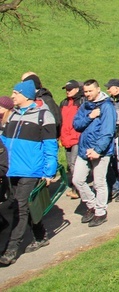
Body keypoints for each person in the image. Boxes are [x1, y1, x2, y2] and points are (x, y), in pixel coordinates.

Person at [0, 81, 58, 266]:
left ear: (26, 95)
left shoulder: (43, 115)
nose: (12, 96)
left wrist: (49, 172)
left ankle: (11, 249)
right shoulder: (14, 116)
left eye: (15, 92)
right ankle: (40, 235)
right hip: (12, 169)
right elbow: (4, 140)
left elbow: (50, 145)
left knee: (20, 207)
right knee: (23, 206)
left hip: (31, 170)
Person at [72, 79, 116, 228]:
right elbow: (76, 125)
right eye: (86, 91)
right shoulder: (85, 106)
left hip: (101, 152)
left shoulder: (107, 106)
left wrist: (98, 150)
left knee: (99, 182)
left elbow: (108, 131)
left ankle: (100, 212)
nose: (88, 94)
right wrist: (90, 116)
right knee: (77, 179)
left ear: (97, 90)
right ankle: (92, 204)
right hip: (84, 149)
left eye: (90, 91)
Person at [58, 81, 83, 199]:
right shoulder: (63, 103)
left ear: (77, 89)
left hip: (77, 137)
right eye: (66, 89)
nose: (68, 91)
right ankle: (75, 186)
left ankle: (77, 189)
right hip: (66, 138)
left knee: (74, 164)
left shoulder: (82, 102)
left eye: (70, 89)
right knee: (69, 165)